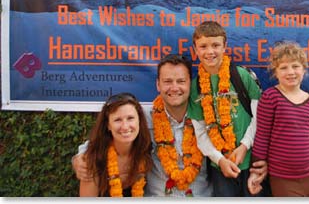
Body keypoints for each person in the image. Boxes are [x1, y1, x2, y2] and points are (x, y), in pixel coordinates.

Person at [73, 54, 212, 197]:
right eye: (168, 81)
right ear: (158, 84)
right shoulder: (143, 118)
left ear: (190, 83)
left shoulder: (207, 117)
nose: (174, 87)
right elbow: (106, 138)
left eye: (181, 81)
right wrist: (81, 156)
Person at [187, 21, 268, 197]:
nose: (210, 52)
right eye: (203, 46)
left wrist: (245, 146)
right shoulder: (195, 88)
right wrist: (219, 159)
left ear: (225, 46)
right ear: (195, 49)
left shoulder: (242, 76)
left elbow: (260, 117)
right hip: (220, 166)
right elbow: (200, 133)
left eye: (216, 45)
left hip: (252, 163)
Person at [247, 41, 309, 197]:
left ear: (304, 69)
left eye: (295, 66)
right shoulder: (270, 97)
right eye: (283, 67)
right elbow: (262, 135)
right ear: (275, 72)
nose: (290, 72)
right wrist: (256, 170)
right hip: (283, 177)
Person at [79, 92, 153, 197]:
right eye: (118, 120)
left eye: (130, 118)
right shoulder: (94, 158)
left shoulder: (148, 151)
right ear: (108, 125)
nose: (125, 126)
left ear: (139, 121)